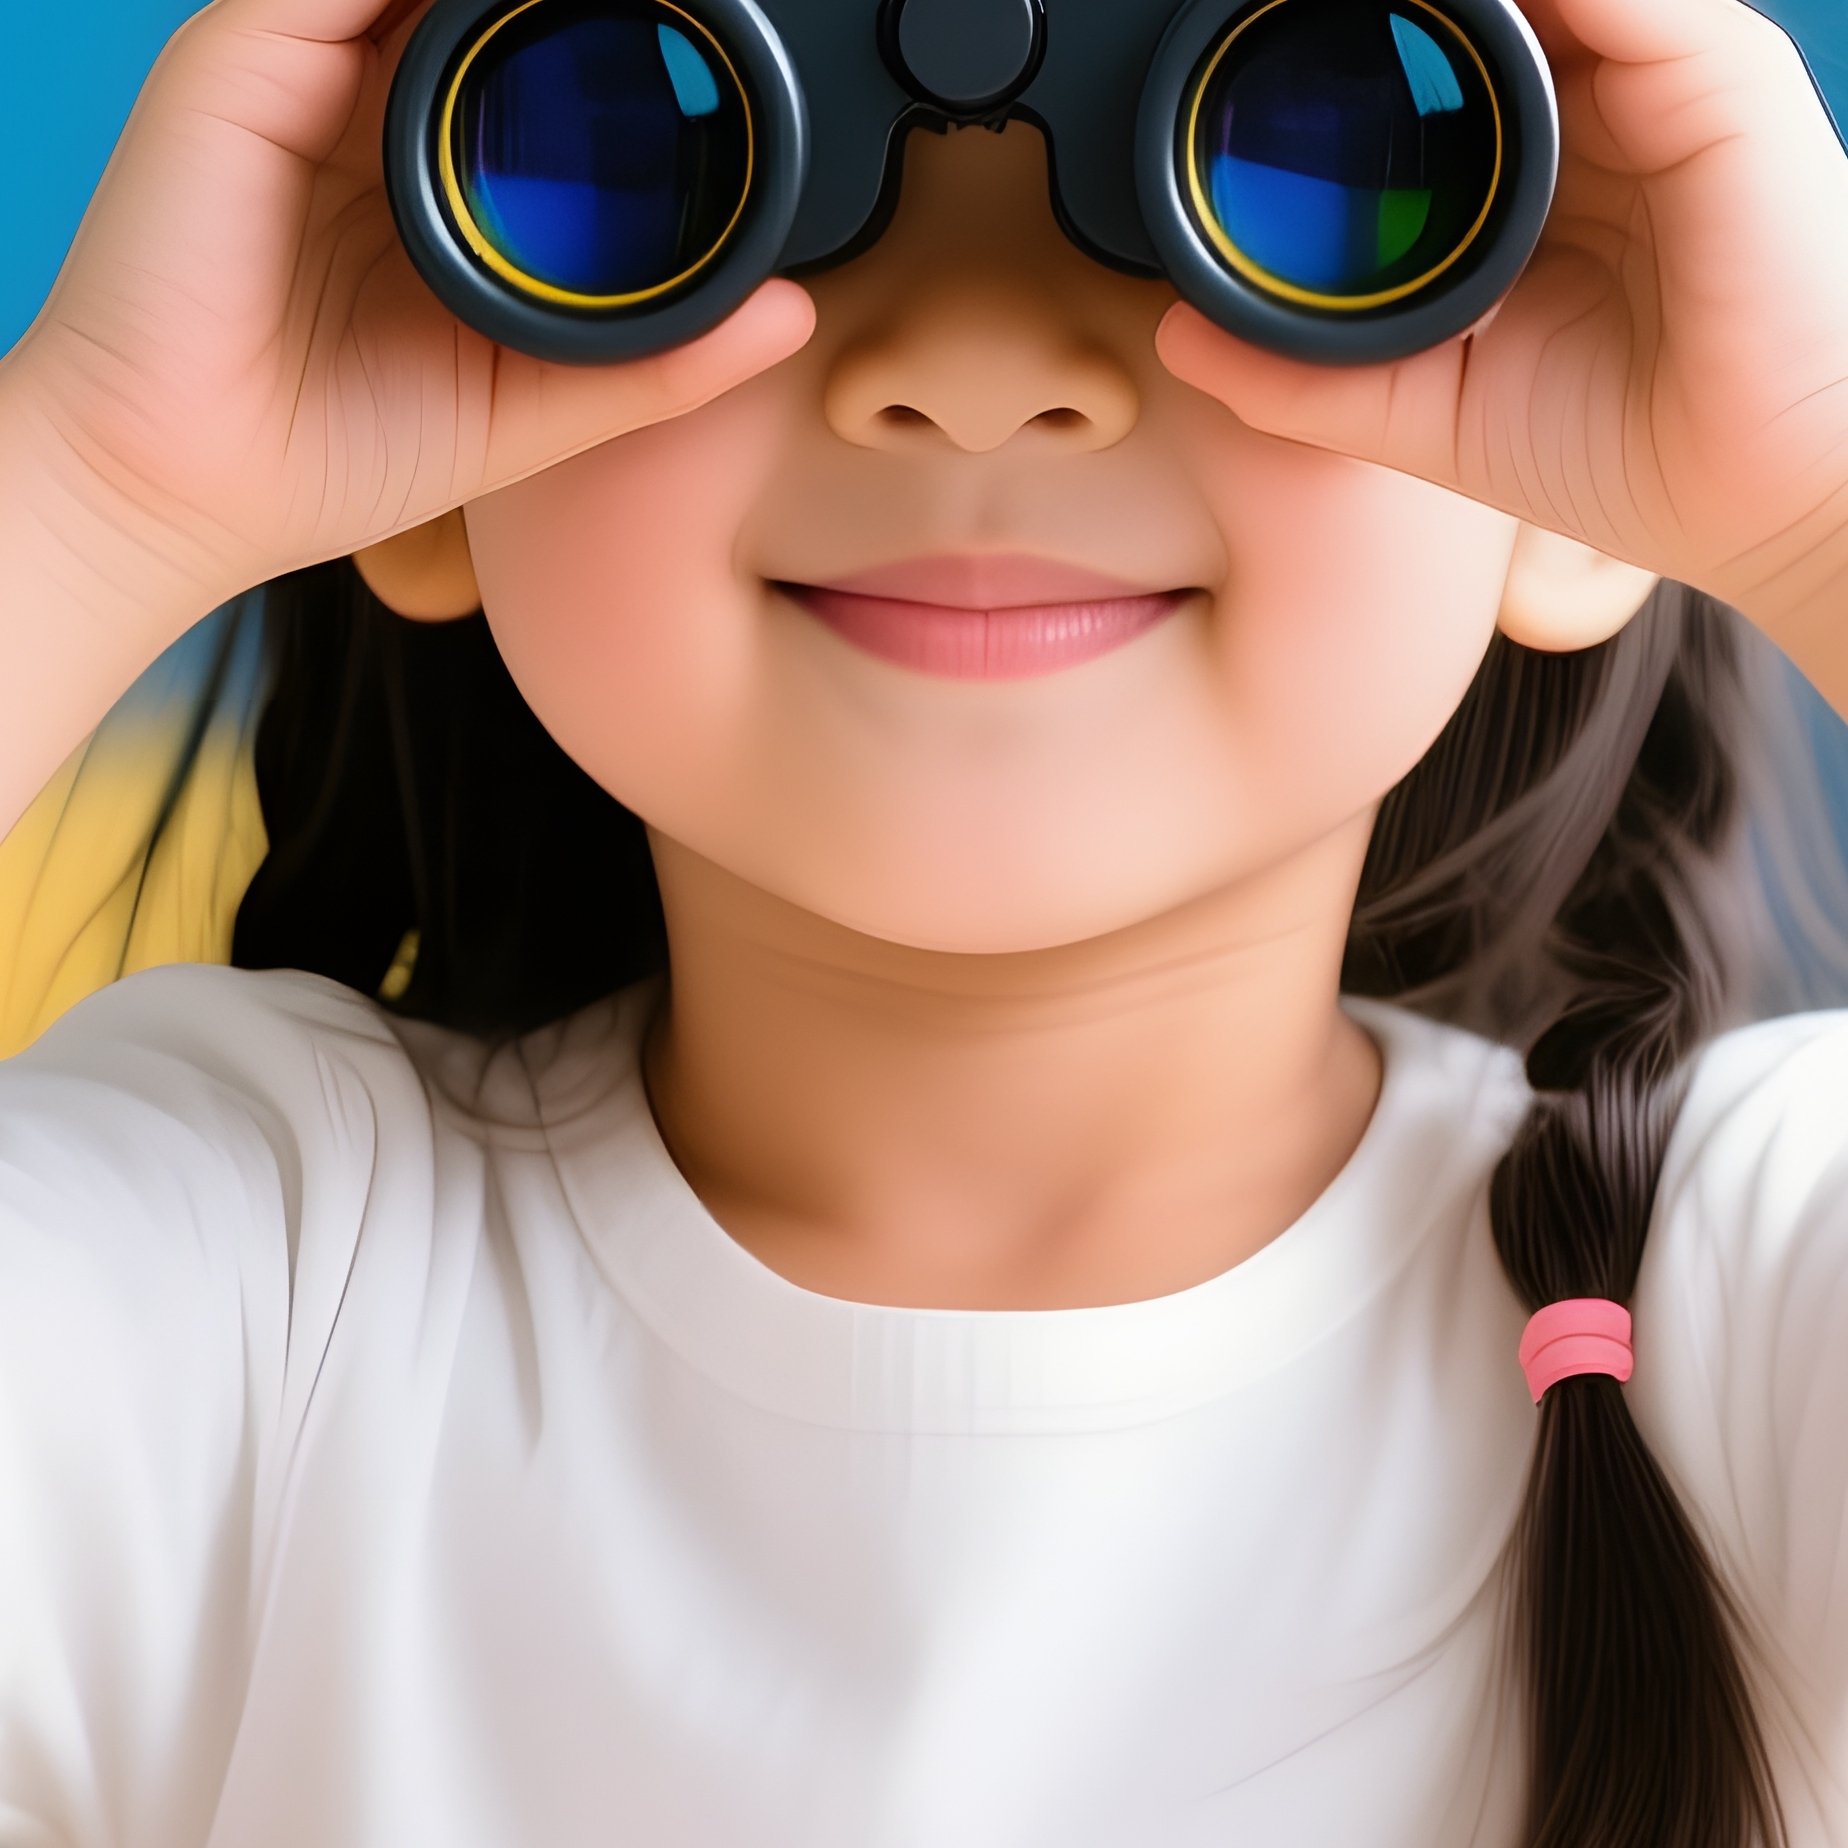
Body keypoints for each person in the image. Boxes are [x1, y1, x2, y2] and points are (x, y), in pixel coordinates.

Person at [2, 0, 1848, 1839]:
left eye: (1305, 144)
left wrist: (1818, 472)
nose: (974, 366)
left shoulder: (1746, 1313)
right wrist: (95, 488)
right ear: (424, 361)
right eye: (681, 159)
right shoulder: (226, 1296)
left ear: (1586, 489)